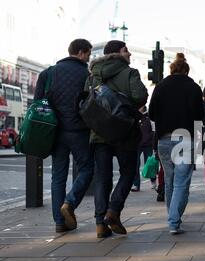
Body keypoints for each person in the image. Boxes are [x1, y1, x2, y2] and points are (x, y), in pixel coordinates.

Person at [87, 40, 149, 238]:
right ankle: (113, 211)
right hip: (124, 131)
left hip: (99, 132)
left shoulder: (92, 75)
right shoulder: (130, 72)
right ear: (116, 54)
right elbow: (140, 96)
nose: (129, 54)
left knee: (103, 178)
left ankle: (100, 224)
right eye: (126, 50)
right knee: (128, 173)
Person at [34, 39, 94, 234]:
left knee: (58, 176)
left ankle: (59, 222)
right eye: (88, 54)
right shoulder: (87, 75)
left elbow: (37, 104)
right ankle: (70, 202)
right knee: (86, 169)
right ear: (81, 52)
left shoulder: (48, 73)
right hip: (79, 131)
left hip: (55, 132)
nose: (89, 58)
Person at [149, 53, 204, 235]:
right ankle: (174, 221)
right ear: (186, 71)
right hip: (185, 139)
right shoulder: (194, 88)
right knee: (181, 182)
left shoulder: (160, 86)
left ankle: (172, 217)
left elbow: (151, 114)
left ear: (171, 69)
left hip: (164, 139)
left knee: (170, 181)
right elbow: (199, 117)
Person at [132, 106, 156, 192]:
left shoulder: (149, 117)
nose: (139, 108)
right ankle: (136, 184)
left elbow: (154, 130)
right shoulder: (135, 116)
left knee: (149, 164)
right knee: (135, 165)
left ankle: (153, 181)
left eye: (141, 106)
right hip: (137, 145)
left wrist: (150, 139)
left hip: (148, 145)